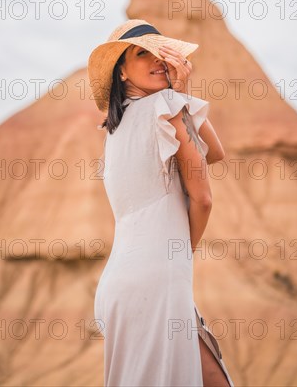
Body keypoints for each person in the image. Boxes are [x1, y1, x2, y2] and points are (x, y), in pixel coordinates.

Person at [87, 19, 235, 387]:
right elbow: (202, 198)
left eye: (161, 54)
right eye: (142, 53)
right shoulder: (163, 107)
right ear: (120, 70)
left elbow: (212, 153)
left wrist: (180, 95)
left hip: (119, 283)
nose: (157, 61)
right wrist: (183, 251)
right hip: (156, 277)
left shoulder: (116, 129)